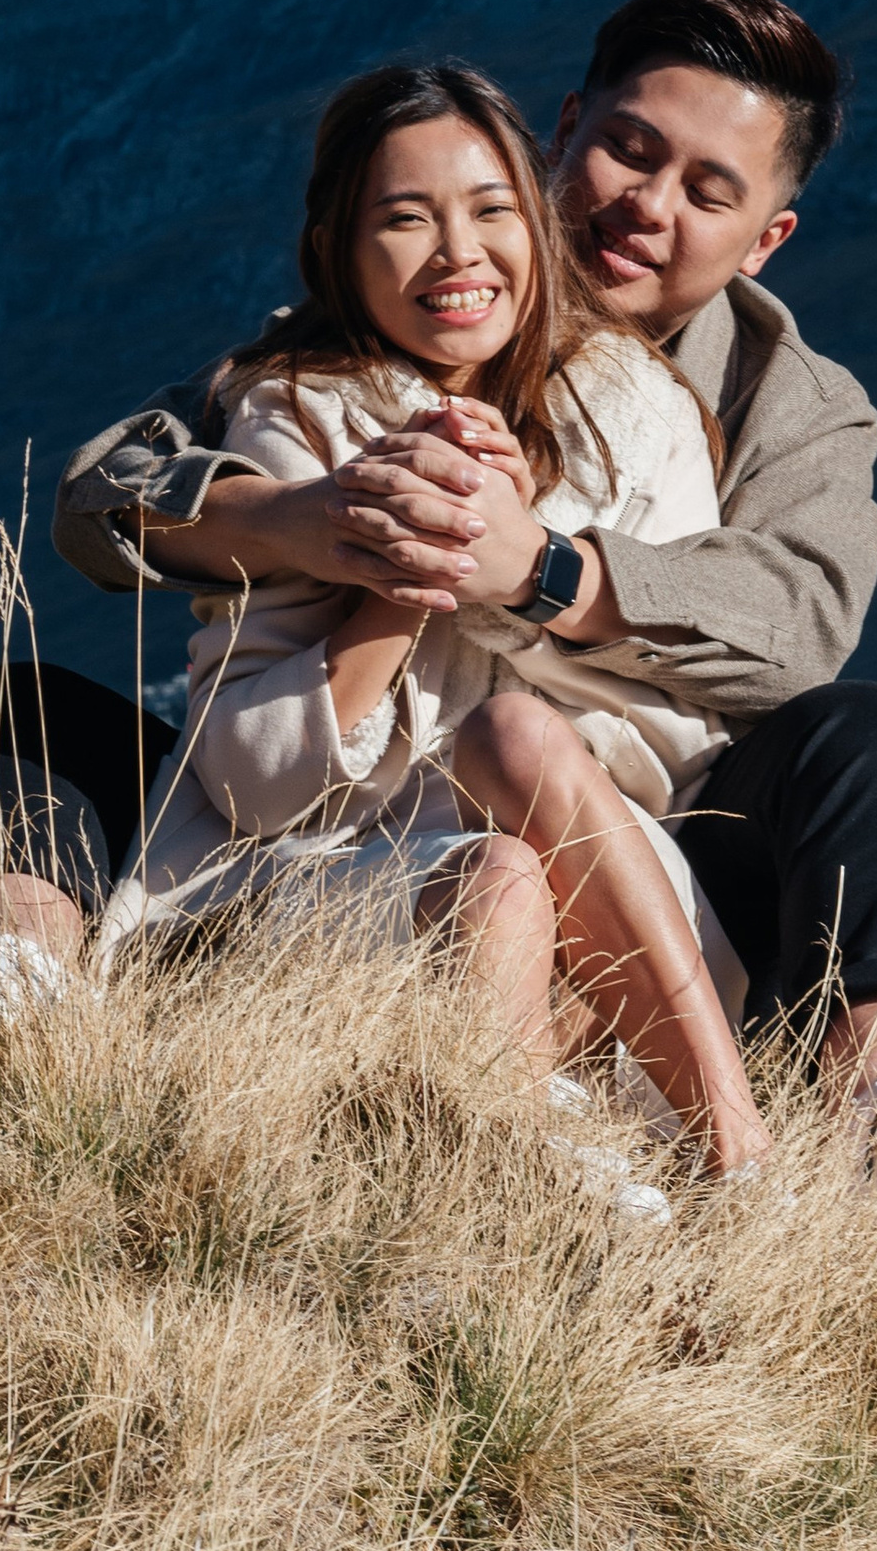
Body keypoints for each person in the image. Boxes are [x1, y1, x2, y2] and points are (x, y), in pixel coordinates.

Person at [0, 0, 877, 1215]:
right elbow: (105, 496)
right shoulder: (372, 339)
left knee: (867, 736)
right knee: (16, 710)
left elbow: (794, 633)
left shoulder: (777, 403)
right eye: (627, 151)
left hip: (643, 839)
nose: (645, 207)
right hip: (336, 828)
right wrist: (315, 522)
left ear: (765, 236)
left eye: (707, 192)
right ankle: (4, 980)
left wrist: (534, 576)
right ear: (561, 132)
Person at [82, 58, 775, 1182]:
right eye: (405, 220)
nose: (459, 254)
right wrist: (393, 577)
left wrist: (514, 571)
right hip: (335, 889)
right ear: (340, 252)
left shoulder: (636, 413)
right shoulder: (297, 419)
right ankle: (541, 1181)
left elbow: (682, 736)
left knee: (514, 755)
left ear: (536, 222)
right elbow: (252, 791)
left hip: (611, 884)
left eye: (492, 209)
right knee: (493, 879)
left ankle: (728, 1157)